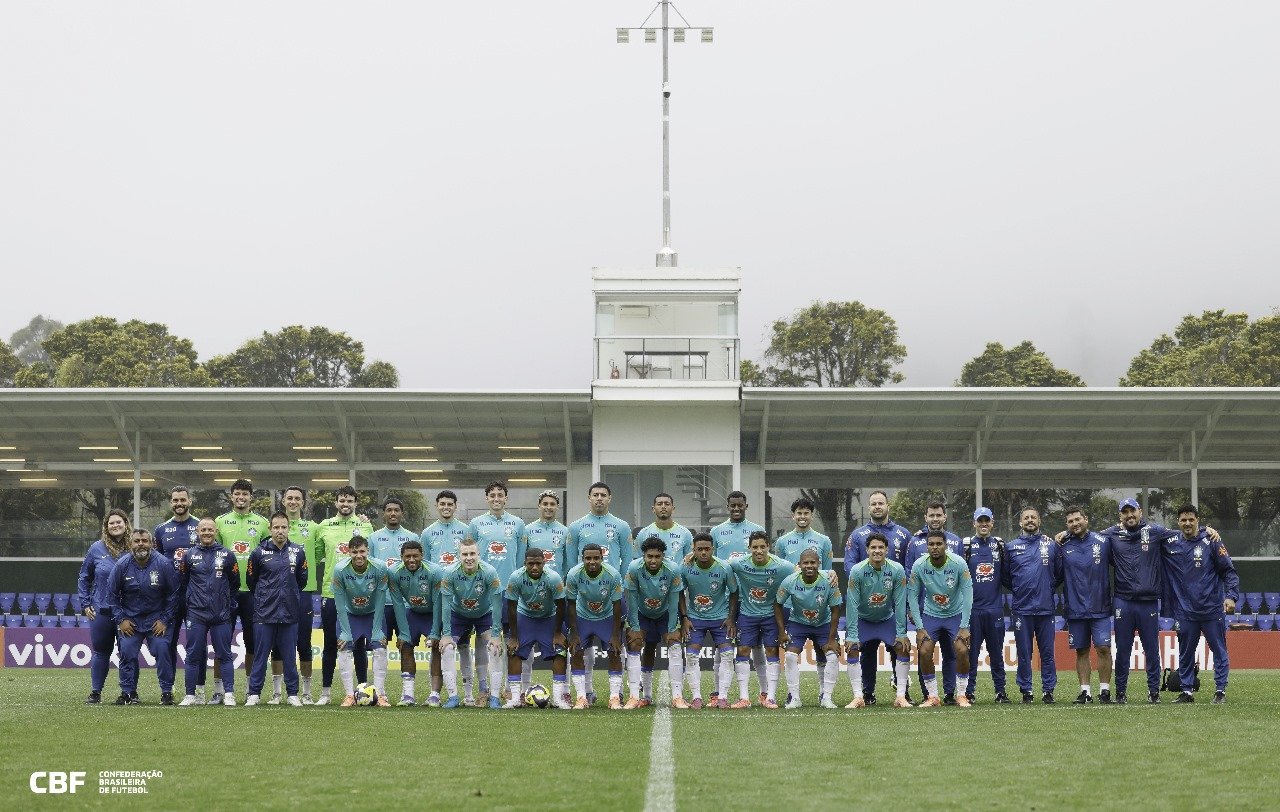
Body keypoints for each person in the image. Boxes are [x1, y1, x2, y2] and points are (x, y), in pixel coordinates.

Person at [1163, 504, 1239, 705]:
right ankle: (1186, 691)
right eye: (1183, 520)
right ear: (1178, 522)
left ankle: (1220, 690)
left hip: (1212, 609)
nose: (1187, 523)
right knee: (1185, 653)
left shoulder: (1211, 540)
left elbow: (1228, 571)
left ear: (1198, 520)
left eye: (1191, 519)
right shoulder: (1170, 543)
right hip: (1185, 611)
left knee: (1219, 651)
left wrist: (1231, 596)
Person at [844, 490, 913, 704]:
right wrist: (865, 585)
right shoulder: (857, 535)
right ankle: (866, 693)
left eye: (880, 503)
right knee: (867, 651)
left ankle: (902, 692)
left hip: (890, 602)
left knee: (899, 646)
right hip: (866, 602)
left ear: (887, 506)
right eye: (873, 503)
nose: (877, 507)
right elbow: (849, 565)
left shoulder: (903, 533)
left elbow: (908, 566)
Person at [568, 482, 632, 703]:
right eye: (595, 495)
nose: (599, 498)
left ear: (610, 498)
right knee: (582, 647)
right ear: (589, 498)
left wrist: (621, 589)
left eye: (603, 495)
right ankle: (586, 692)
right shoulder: (576, 527)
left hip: (612, 593)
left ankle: (618, 691)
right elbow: (570, 560)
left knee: (616, 645)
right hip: (583, 594)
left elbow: (627, 560)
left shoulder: (622, 526)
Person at [314, 484, 374, 706]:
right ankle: (326, 693)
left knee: (359, 644)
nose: (345, 504)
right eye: (342, 500)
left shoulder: (366, 527)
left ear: (355, 503)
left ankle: (363, 692)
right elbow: (319, 555)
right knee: (330, 644)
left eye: (350, 500)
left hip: (358, 595)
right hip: (331, 593)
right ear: (336, 503)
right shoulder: (324, 527)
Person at [468, 481, 527, 702]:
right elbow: (470, 557)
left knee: (512, 639)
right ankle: (483, 689)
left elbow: (522, 561)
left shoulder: (518, 524)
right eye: (491, 495)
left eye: (500, 495)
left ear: (506, 498)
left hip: (509, 591)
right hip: (483, 591)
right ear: (486, 498)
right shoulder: (475, 524)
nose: (496, 498)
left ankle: (511, 688)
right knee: (484, 640)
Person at [901, 501, 964, 703]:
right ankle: (929, 694)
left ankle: (949, 694)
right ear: (926, 517)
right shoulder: (914, 541)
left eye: (939, 515)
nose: (935, 519)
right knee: (925, 651)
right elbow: (909, 573)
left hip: (952, 608)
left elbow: (961, 577)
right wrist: (911, 607)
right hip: (924, 608)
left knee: (951, 652)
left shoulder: (955, 541)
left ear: (945, 517)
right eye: (931, 515)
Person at [108, 528, 180, 705]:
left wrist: (164, 620)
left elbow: (174, 594)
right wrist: (121, 619)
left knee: (163, 651)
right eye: (137, 541)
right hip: (130, 620)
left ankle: (166, 692)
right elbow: (111, 595)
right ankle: (128, 693)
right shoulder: (122, 565)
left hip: (157, 620)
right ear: (130, 544)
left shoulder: (163, 564)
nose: (141, 544)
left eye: (144, 541)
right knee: (127, 653)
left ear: (152, 543)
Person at [214, 478, 271, 697]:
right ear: (231, 496)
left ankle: (250, 690)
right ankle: (219, 691)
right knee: (222, 642)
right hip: (225, 592)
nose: (241, 497)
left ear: (251, 497)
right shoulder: (220, 522)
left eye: (245, 494)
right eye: (237, 493)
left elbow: (268, 556)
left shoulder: (262, 523)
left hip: (253, 593)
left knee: (252, 643)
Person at [727, 531, 796, 709]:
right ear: (749, 548)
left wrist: (829, 573)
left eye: (762, 547)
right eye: (755, 547)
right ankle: (744, 698)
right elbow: (719, 565)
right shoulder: (739, 563)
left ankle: (770, 697)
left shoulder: (782, 566)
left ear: (768, 547)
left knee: (772, 652)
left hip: (771, 615)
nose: (759, 551)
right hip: (747, 614)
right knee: (742, 651)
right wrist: (691, 557)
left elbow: (802, 570)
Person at [245, 512, 309, 706]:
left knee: (290, 656)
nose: (280, 531)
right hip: (264, 613)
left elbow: (302, 581)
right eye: (276, 527)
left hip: (289, 613)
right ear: (270, 529)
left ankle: (292, 694)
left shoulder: (298, 551)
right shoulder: (258, 552)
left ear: (288, 529)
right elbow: (251, 582)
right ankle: (254, 694)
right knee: (260, 656)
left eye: (283, 527)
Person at [711, 492, 770, 703]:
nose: (736, 508)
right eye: (733, 505)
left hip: (750, 597)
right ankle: (717, 692)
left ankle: (764, 693)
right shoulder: (717, 531)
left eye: (740, 505)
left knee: (756, 646)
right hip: (724, 596)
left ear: (746, 505)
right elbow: (712, 559)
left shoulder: (756, 530)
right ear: (727, 506)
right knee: (722, 645)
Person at [177, 517, 240, 706]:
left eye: (210, 529)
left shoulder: (227, 555)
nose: (206, 532)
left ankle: (228, 694)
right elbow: (183, 582)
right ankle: (190, 695)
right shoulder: (189, 555)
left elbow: (235, 583)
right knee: (193, 655)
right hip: (196, 614)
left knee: (224, 654)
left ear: (216, 531)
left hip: (221, 614)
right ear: (198, 531)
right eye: (203, 529)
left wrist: (225, 602)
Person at [907, 530, 973, 708]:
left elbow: (968, 593)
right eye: (931, 544)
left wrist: (965, 625)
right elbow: (912, 595)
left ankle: (961, 695)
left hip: (955, 614)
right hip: (931, 614)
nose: (935, 547)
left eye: (939, 544)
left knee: (961, 650)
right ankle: (933, 696)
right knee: (924, 651)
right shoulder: (919, 565)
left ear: (946, 545)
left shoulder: (958, 563)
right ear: (927, 546)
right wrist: (919, 627)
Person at [1002, 508, 1062, 703]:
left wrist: (1047, 588)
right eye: (1026, 518)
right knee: (1024, 653)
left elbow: (1059, 574)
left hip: (1045, 608)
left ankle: (1048, 690)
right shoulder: (1011, 547)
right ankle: (1026, 691)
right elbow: (1006, 577)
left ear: (1039, 520)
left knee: (1047, 652)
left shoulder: (1051, 545)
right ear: (1020, 522)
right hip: (1022, 609)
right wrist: (1021, 589)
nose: (1030, 520)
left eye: (1033, 517)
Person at [438, 539, 504, 709]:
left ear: (479, 555)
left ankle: (494, 697)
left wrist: (496, 635)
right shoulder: (450, 573)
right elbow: (445, 604)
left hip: (484, 614)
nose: (469, 558)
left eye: (472, 554)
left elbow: (497, 604)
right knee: (447, 649)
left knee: (495, 648)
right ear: (459, 556)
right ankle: (453, 697)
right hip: (458, 615)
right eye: (465, 554)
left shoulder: (489, 572)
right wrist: (445, 634)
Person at [269, 485, 320, 703]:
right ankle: (277, 692)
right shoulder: (272, 526)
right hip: (276, 594)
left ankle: (306, 692)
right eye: (289, 498)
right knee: (277, 644)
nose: (293, 501)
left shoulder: (314, 528)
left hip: (304, 592)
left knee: (304, 642)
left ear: (302, 502)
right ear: (283, 501)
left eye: (297, 498)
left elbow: (318, 554)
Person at [1059, 506, 1114, 704]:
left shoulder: (1104, 541)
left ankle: (1105, 691)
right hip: (1075, 608)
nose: (1075, 524)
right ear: (1067, 526)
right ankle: (1085, 692)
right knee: (1081, 651)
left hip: (1100, 607)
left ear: (1086, 519)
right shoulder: (1062, 545)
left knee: (1103, 649)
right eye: (1070, 521)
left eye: (1077, 519)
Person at [503, 548, 570, 709]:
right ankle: (514, 699)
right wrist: (514, 635)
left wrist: (557, 632)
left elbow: (561, 605)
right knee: (513, 650)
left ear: (544, 563)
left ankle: (558, 699)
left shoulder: (553, 578)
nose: (534, 567)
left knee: (560, 650)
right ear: (524, 563)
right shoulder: (516, 577)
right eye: (530, 564)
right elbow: (511, 607)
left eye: (538, 563)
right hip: (525, 617)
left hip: (549, 618)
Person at [774, 549, 842, 709]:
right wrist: (782, 631)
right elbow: (777, 604)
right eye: (806, 563)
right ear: (799, 565)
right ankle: (795, 698)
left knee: (832, 657)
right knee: (790, 656)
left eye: (813, 562)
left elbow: (835, 610)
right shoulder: (790, 581)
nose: (809, 566)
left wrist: (832, 639)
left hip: (823, 623)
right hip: (798, 623)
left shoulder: (829, 581)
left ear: (819, 564)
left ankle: (826, 697)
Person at [624, 537, 686, 708]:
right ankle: (638, 696)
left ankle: (677, 696)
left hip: (664, 613)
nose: (653, 560)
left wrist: (673, 627)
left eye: (657, 556)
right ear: (643, 556)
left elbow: (674, 601)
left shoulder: (672, 569)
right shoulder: (634, 568)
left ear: (663, 556)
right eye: (649, 556)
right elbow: (632, 599)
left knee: (674, 644)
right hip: (642, 613)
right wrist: (635, 627)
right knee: (637, 644)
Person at [419, 489, 469, 704]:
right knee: (439, 643)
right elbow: (426, 567)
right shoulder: (427, 533)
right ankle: (435, 692)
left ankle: (468, 693)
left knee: (465, 644)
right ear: (437, 506)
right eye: (442, 504)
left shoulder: (466, 532)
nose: (446, 507)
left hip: (462, 595)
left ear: (455, 506)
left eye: (450, 503)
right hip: (438, 597)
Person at [78, 509, 132, 704]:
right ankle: (95, 692)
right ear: (106, 527)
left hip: (128, 612)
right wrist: (85, 603)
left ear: (126, 524)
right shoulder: (96, 549)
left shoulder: (135, 547)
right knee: (101, 652)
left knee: (127, 653)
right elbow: (84, 578)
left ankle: (128, 693)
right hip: (102, 611)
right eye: (111, 523)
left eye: (118, 522)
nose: (115, 525)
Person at [678, 533, 738, 709]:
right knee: (691, 656)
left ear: (713, 549)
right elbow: (680, 592)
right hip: (695, 618)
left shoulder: (724, 567)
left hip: (720, 618)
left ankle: (723, 697)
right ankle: (696, 697)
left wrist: (731, 618)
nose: (703, 552)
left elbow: (734, 592)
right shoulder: (686, 567)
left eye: (707, 549)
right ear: (693, 550)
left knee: (727, 655)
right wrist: (684, 617)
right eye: (699, 549)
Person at [332, 534, 392, 707]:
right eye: (354, 552)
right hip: (350, 615)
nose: (359, 555)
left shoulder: (379, 568)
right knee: (344, 648)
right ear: (348, 552)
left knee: (380, 648)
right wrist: (344, 630)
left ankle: (380, 694)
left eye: (362, 551)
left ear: (368, 551)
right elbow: (339, 602)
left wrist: (377, 628)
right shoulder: (340, 570)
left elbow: (381, 598)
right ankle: (350, 695)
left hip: (373, 614)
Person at [566, 543, 625, 709]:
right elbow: (570, 604)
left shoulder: (612, 575)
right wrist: (574, 633)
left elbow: (617, 606)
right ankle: (581, 697)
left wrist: (615, 635)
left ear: (602, 558)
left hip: (606, 616)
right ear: (582, 559)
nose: (592, 561)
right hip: (583, 616)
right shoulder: (574, 574)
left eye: (596, 558)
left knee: (614, 652)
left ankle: (614, 697)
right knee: (576, 651)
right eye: (588, 558)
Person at [154, 486, 200, 691]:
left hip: (195, 595)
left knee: (195, 644)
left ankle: (197, 689)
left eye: (183, 500)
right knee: (167, 643)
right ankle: (168, 687)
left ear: (189, 501)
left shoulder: (201, 526)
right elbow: (156, 562)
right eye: (175, 500)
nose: (179, 503)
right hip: (169, 597)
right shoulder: (161, 529)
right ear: (171, 503)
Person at [387, 539, 444, 706]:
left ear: (422, 556)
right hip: (412, 613)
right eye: (407, 556)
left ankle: (435, 695)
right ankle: (408, 695)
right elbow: (397, 603)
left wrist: (434, 631)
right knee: (405, 646)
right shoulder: (394, 572)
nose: (411, 560)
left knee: (436, 647)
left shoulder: (434, 571)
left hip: (433, 614)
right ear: (401, 557)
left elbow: (438, 604)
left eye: (415, 556)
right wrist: (403, 632)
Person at [370, 497, 420, 680]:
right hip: (382, 604)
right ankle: (380, 692)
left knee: (406, 645)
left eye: (396, 510)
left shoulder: (413, 537)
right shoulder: (373, 538)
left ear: (402, 514)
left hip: (406, 604)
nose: (393, 513)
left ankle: (408, 693)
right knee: (379, 646)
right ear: (383, 513)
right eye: (389, 510)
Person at [963, 508, 1010, 704]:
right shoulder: (966, 546)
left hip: (995, 610)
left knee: (997, 654)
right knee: (971, 654)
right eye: (979, 521)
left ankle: (1000, 692)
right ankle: (969, 692)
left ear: (992, 523)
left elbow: (1008, 575)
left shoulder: (999, 545)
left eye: (987, 521)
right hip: (973, 611)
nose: (983, 524)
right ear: (974, 523)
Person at [635, 493, 693, 567]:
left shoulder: (685, 534)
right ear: (653, 509)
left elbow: (690, 561)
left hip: (676, 578)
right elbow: (637, 561)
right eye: (659, 504)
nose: (663, 507)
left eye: (667, 504)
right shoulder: (643, 533)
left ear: (673, 508)